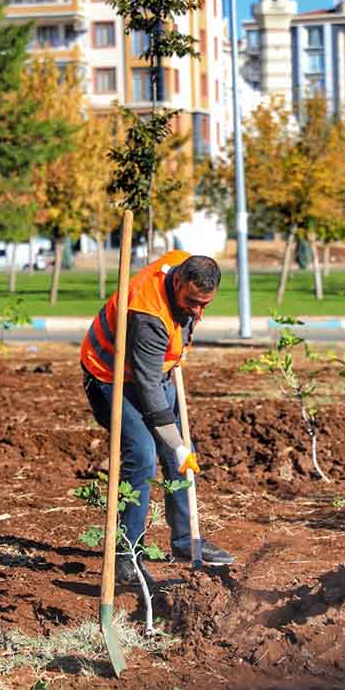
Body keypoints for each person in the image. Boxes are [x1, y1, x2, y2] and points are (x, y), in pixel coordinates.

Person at [80, 250, 236, 586]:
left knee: (180, 454)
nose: (197, 311)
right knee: (144, 454)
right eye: (192, 302)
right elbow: (147, 385)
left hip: (154, 372)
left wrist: (178, 446)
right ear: (177, 281)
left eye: (204, 305)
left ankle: (185, 541)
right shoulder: (148, 313)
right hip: (111, 375)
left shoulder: (184, 265)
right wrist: (172, 440)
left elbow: (155, 374)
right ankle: (126, 555)